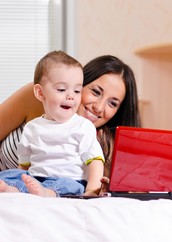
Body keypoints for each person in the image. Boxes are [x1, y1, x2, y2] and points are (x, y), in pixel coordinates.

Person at [0, 53, 141, 193]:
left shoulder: (96, 138)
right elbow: (23, 166)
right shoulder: (39, 97)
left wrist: (97, 189)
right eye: (96, 92)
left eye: (112, 103)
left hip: (43, 192)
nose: (98, 107)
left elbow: (93, 183)